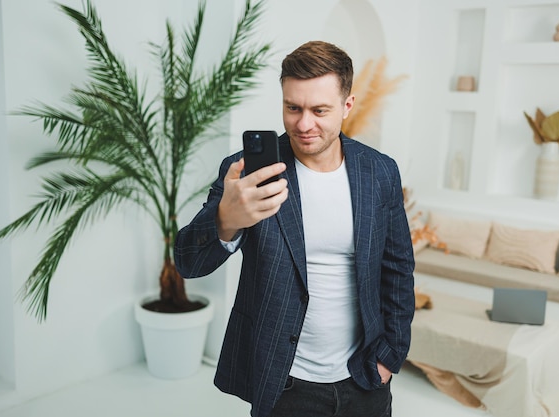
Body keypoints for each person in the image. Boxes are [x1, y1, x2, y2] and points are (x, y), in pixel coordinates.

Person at [175, 40, 415, 417]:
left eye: (320, 110)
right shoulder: (245, 173)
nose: (304, 124)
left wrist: (390, 356)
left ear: (346, 106)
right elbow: (188, 262)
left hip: (366, 378)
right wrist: (226, 220)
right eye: (293, 108)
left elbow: (398, 268)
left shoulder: (380, 172)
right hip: (283, 382)